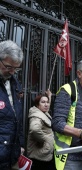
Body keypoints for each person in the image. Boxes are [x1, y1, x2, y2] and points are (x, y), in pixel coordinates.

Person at [0, 40, 24, 170]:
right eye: (9, 67)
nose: (12, 72)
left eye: (16, 68)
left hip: (12, 157)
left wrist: (20, 145)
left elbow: (17, 117)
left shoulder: (15, 84)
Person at [27, 89, 55, 170]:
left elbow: (46, 107)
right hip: (40, 156)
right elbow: (34, 129)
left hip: (43, 154)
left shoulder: (43, 113)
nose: (46, 104)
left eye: (47, 102)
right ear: (37, 105)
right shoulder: (36, 116)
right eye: (43, 102)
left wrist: (49, 96)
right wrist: (43, 140)